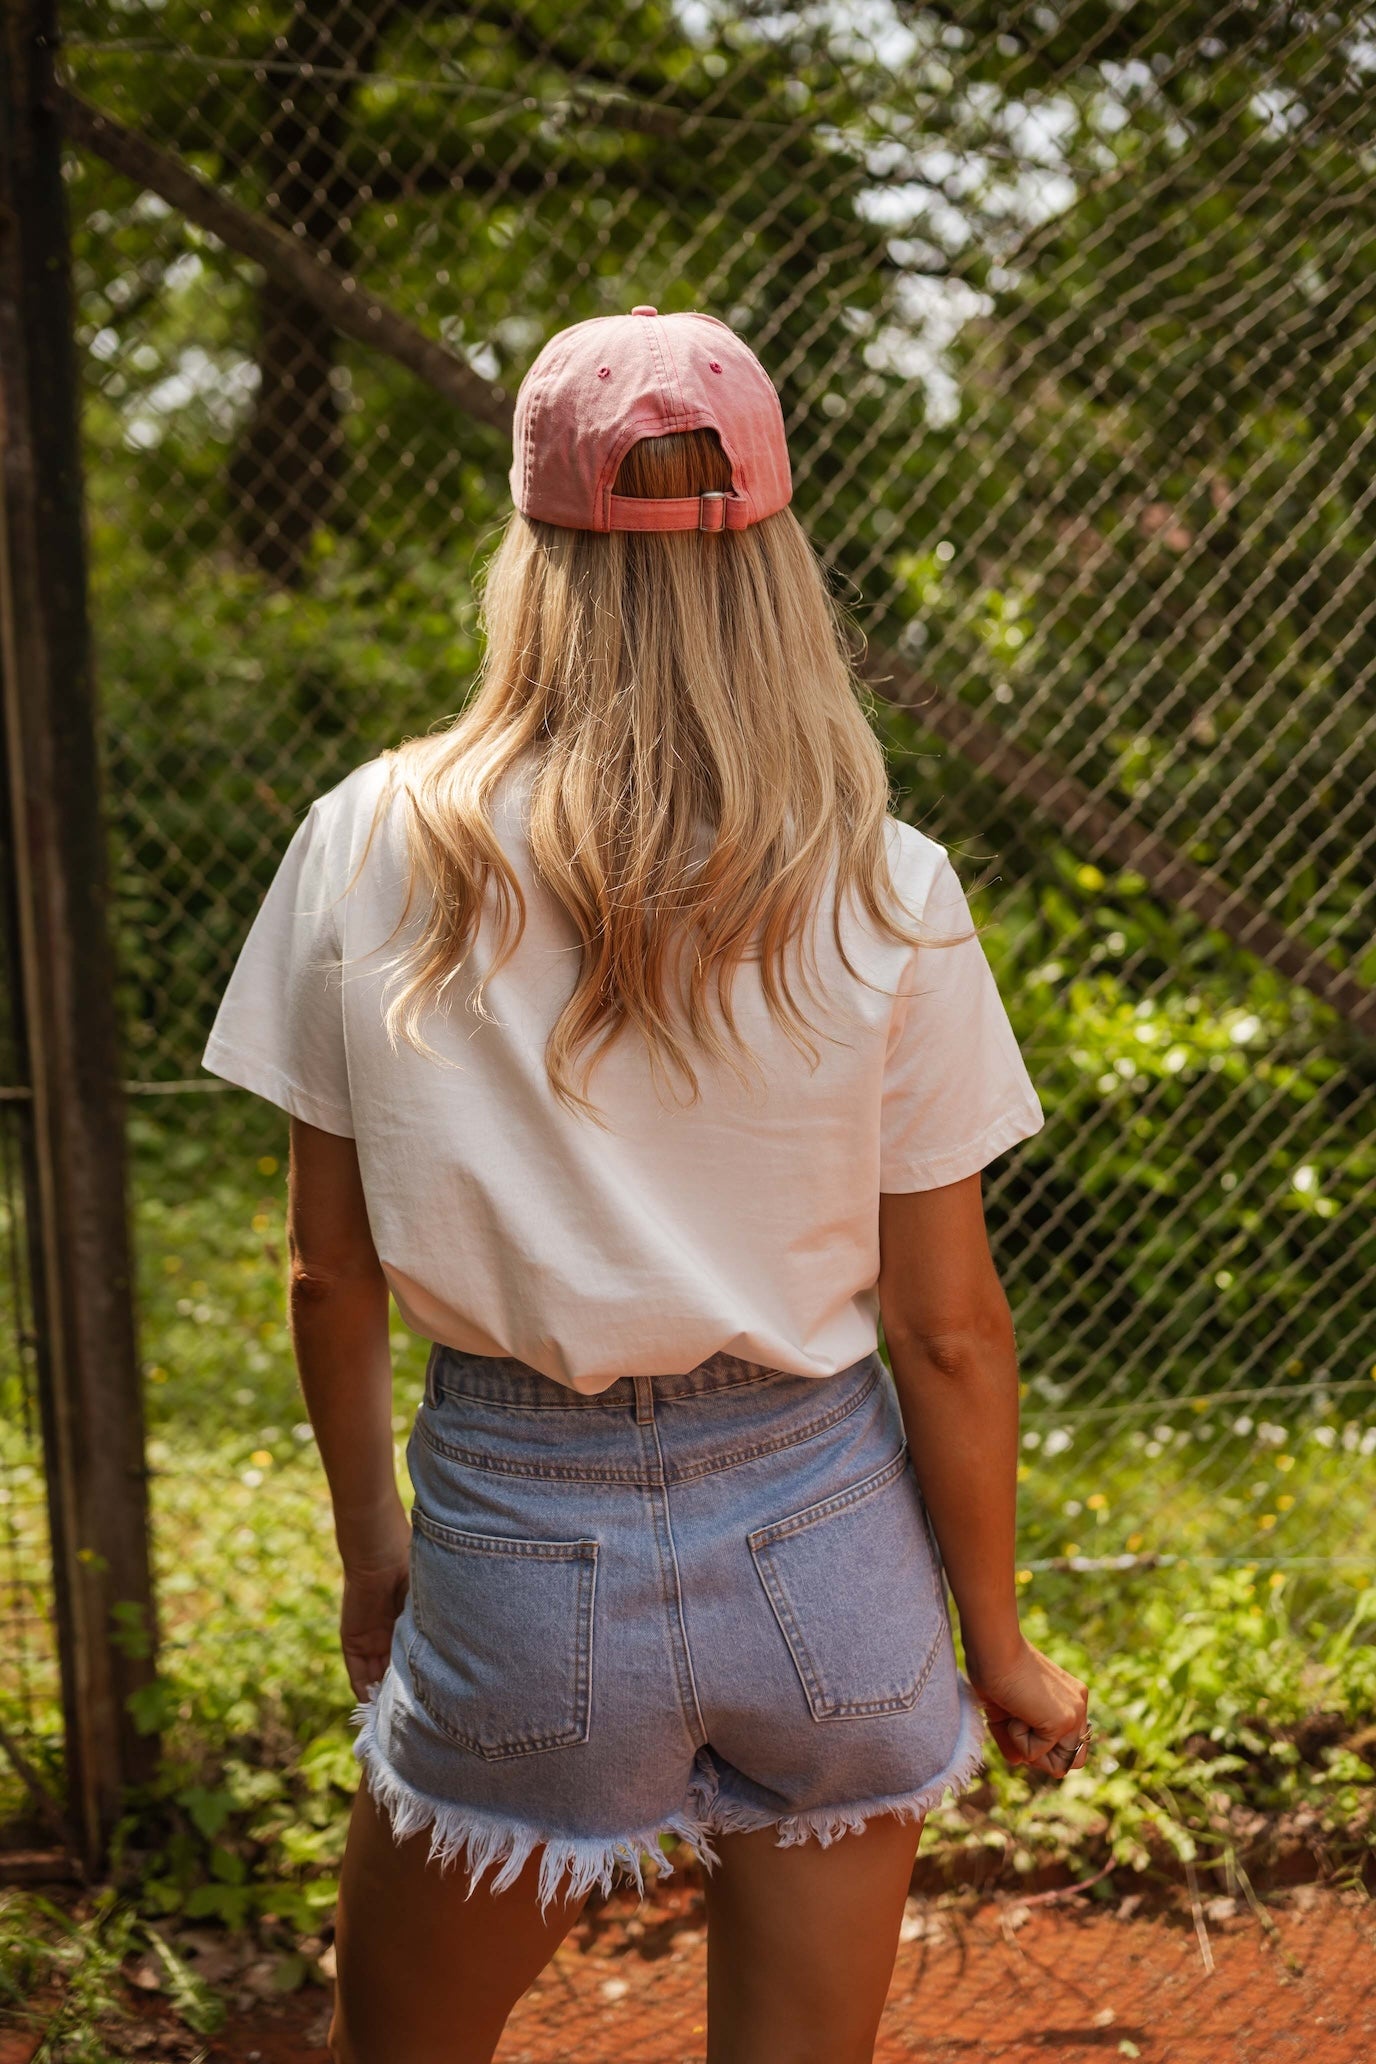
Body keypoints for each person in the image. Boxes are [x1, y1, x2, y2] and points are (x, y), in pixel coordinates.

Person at [202, 304, 1090, 2064]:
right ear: (772, 549)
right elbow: (952, 1333)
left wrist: (378, 1558)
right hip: (829, 1540)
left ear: (530, 550)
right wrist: (997, 1643)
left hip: (520, 1547)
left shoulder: (371, 841)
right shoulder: (886, 884)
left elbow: (328, 1274)